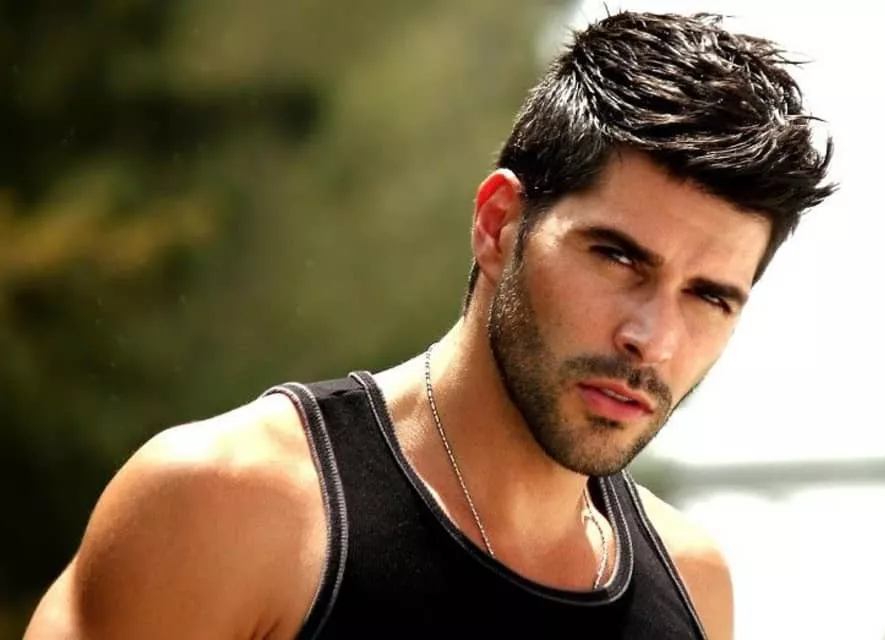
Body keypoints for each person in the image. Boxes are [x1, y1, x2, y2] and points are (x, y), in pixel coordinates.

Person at [25, 10, 834, 640]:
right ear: (499, 224)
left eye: (709, 297)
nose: (651, 338)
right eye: (618, 258)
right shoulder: (234, 506)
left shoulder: (693, 586)